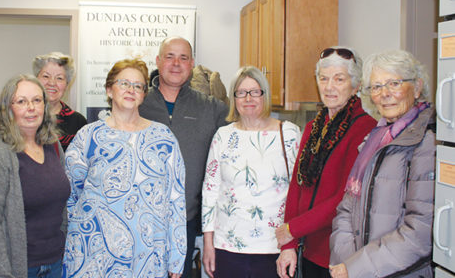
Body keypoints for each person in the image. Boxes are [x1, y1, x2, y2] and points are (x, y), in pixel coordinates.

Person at [63, 58, 186, 277]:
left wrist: (177, 256)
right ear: (109, 90)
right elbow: (70, 195)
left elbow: (175, 199)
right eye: (124, 83)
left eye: (138, 86)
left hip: (148, 254)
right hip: (94, 252)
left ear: (143, 94)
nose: (131, 90)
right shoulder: (88, 136)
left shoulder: (163, 138)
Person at [329, 50, 435, 278]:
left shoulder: (428, 142)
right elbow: (347, 208)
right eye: (376, 87)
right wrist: (348, 262)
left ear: (417, 87)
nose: (384, 94)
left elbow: (421, 231)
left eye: (394, 83)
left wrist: (357, 267)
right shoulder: (375, 138)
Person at [275, 47, 376, 278]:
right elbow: (297, 185)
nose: (329, 86)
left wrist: (293, 229)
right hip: (308, 249)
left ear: (356, 85)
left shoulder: (364, 128)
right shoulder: (314, 127)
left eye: (339, 79)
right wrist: (288, 244)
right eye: (324, 78)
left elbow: (346, 196)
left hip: (339, 255)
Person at [139, 36, 228, 278]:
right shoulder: (138, 104)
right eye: (169, 56)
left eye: (183, 58)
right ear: (158, 61)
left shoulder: (212, 108)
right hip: (141, 222)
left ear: (192, 64)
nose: (176, 63)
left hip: (186, 222)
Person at [201, 66, 301, 278]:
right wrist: (208, 244)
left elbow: (298, 192)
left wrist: (291, 244)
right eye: (241, 92)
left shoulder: (288, 133)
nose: (248, 98)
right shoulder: (223, 136)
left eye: (255, 92)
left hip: (274, 247)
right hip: (228, 247)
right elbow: (210, 192)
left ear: (264, 95)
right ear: (234, 98)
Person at [0, 74, 67, 278]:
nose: (31, 108)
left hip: (55, 264)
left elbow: (62, 205)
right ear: (7, 109)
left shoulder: (52, 145)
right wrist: (2, 274)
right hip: (15, 268)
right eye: (21, 101)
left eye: (37, 100)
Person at [33, 52, 87, 151]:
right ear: (36, 80)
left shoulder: (78, 122)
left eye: (59, 78)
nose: (52, 83)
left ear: (67, 85)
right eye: (46, 76)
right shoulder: (25, 116)